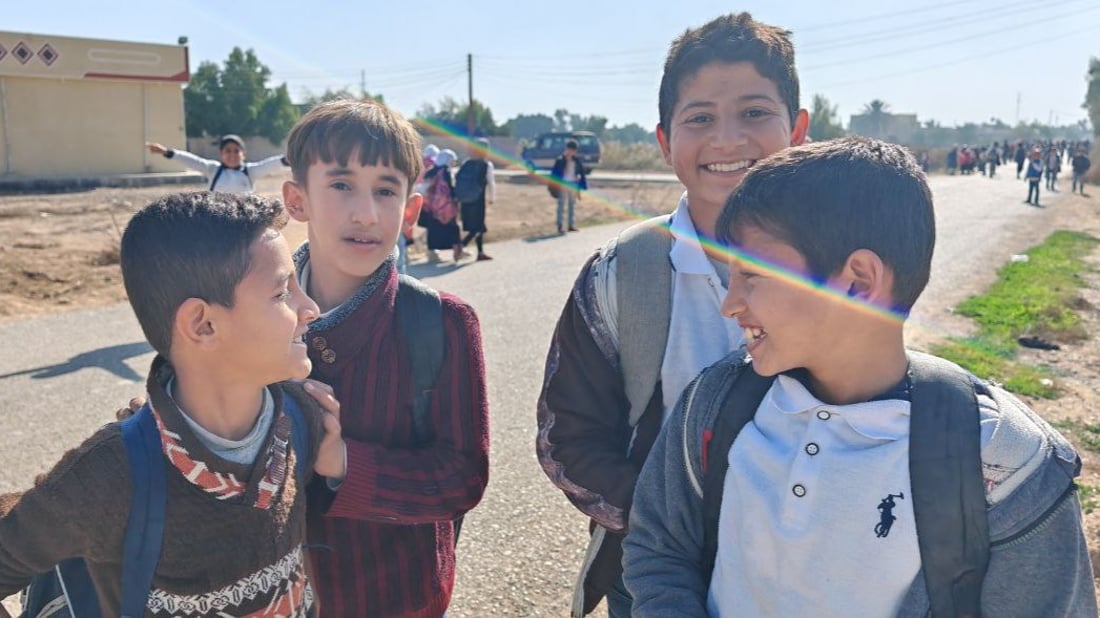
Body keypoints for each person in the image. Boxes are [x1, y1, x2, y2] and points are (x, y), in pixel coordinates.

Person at [622, 137, 1096, 616]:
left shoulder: (1004, 464)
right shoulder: (717, 401)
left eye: (754, 275)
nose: (731, 303)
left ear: (859, 282)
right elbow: (660, 547)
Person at [536, 12, 808, 617]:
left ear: (799, 129)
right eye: (701, 118)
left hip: (811, 571)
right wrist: (671, 518)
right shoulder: (622, 273)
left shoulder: (840, 266)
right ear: (665, 142)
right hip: (656, 575)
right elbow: (567, 437)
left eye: (755, 113)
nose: (728, 139)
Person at [0, 191, 346, 616]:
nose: (309, 307)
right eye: (281, 294)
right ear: (202, 324)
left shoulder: (304, 414)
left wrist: (339, 467)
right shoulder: (108, 475)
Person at [281, 99, 490, 617]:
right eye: (341, 184)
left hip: (396, 598)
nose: (365, 213)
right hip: (269, 596)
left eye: (385, 190)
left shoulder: (441, 323)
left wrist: (342, 462)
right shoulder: (253, 314)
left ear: (411, 210)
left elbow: (462, 475)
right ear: (296, 198)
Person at [146, 134, 289, 193]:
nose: (232, 155)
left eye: (236, 151)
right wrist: (167, 152)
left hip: (245, 221)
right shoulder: (212, 169)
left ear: (243, 154)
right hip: (217, 221)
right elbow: (190, 160)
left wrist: (287, 159)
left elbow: (270, 164)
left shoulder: (250, 171)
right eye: (228, 151)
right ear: (221, 154)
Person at [456, 137, 497, 261]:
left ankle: (480, 253)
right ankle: (461, 245)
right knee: (478, 227)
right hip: (478, 201)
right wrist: (492, 197)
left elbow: (457, 179)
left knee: (478, 227)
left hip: (464, 200)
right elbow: (491, 182)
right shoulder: (486, 164)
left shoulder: (466, 163)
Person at [421, 148, 465, 263]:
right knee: (453, 228)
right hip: (446, 207)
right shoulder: (446, 172)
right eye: (452, 160)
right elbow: (449, 189)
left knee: (433, 229)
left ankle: (432, 254)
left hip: (431, 207)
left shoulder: (431, 171)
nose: (453, 163)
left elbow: (425, 188)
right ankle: (457, 251)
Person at [549, 139, 589, 234]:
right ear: (567, 149)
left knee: (572, 205)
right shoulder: (560, 160)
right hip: (563, 184)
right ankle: (560, 225)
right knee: (561, 205)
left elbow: (581, 173)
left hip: (573, 184)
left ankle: (571, 225)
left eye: (574, 150)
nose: (571, 152)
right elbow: (555, 174)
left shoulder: (576, 161)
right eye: (570, 149)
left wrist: (580, 181)